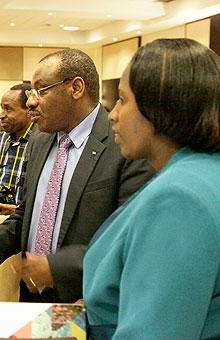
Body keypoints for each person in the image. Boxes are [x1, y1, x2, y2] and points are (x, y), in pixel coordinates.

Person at [0, 48, 155, 303]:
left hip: (86, 301)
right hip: (33, 295)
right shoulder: (39, 141)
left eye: (41, 90)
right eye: (31, 92)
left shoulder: (125, 146)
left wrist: (56, 268)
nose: (31, 101)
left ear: (76, 88)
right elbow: (29, 212)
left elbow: (129, 241)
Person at [83, 39, 220, 339]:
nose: (113, 114)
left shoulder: (179, 198)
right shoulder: (202, 172)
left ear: (160, 107)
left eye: (123, 99)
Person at [0, 83, 38, 215]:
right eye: (2, 108)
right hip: (1, 220)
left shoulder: (41, 140)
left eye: (8, 109)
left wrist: (17, 211)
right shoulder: (6, 138)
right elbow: (3, 175)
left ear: (28, 111)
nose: (1, 115)